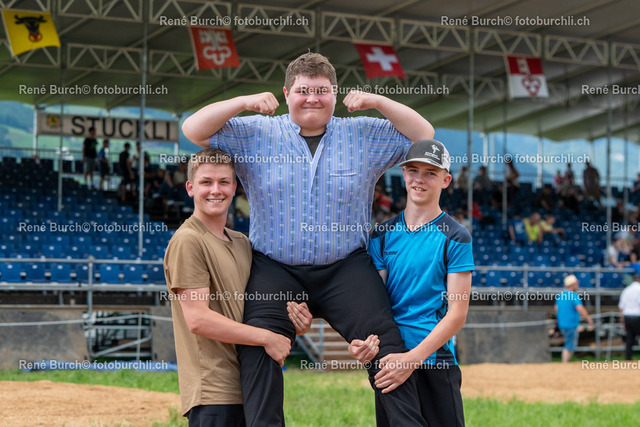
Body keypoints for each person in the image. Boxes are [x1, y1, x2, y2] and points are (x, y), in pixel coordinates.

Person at [182, 51, 435, 426]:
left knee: (387, 346)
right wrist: (244, 101)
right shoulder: (257, 132)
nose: (312, 98)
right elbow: (193, 130)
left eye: (321, 90)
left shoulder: (362, 132)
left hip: (345, 268)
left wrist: (378, 101)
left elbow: (423, 135)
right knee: (258, 345)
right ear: (286, 93)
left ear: (335, 94)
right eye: (303, 90)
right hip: (275, 268)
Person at [164, 148, 312, 425]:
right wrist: (267, 338)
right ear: (190, 188)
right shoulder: (188, 240)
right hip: (214, 392)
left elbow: (253, 309)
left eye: (223, 182)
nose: (215, 190)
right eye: (206, 182)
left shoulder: (242, 243)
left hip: (252, 384)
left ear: (234, 188)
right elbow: (198, 319)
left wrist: (293, 325)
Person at [344, 139, 474, 427]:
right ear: (403, 174)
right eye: (413, 170)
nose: (419, 179)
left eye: (431, 173)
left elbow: (457, 314)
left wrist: (412, 359)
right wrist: (360, 343)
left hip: (434, 359)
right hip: (390, 358)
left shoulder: (456, 236)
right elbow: (373, 305)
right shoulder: (382, 234)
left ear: (446, 180)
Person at [555, 274, 594, 363]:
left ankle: (565, 362)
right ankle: (564, 363)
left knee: (568, 343)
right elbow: (580, 308)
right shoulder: (573, 295)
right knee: (570, 345)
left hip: (562, 324)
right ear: (572, 285)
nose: (578, 285)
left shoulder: (561, 295)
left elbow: (556, 308)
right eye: (576, 283)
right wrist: (588, 319)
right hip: (571, 324)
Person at [619, 271, 640, 360]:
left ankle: (628, 359)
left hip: (627, 316)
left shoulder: (626, 290)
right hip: (637, 315)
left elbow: (621, 307)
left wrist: (622, 321)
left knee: (629, 338)